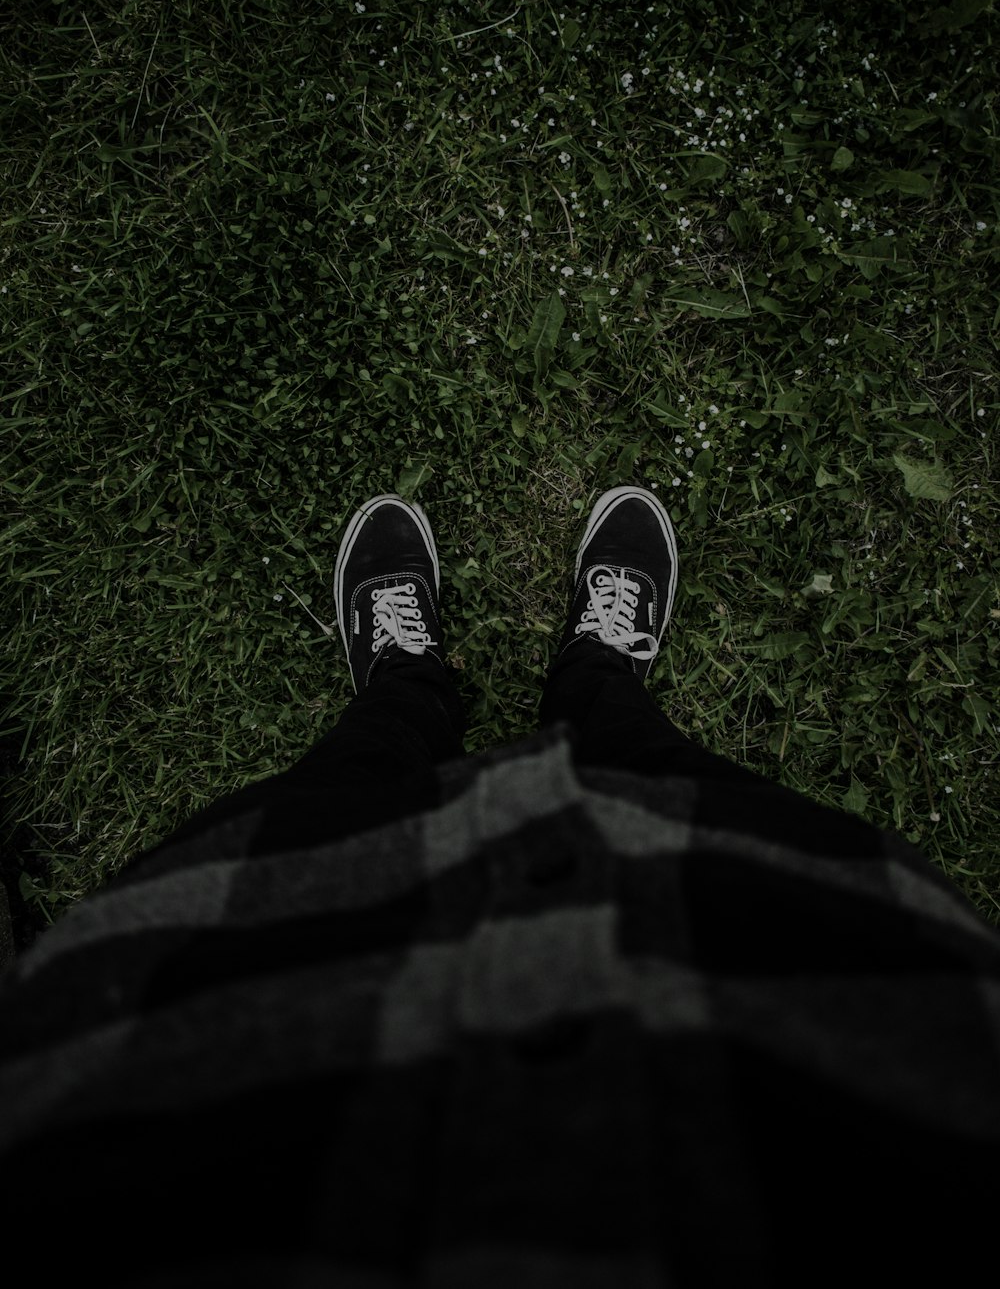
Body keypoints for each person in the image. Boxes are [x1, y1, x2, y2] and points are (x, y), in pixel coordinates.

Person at [1, 485, 999, 1287]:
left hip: (164, 1100)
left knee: (343, 796)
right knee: (663, 779)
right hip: (855, 1052)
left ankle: (409, 686)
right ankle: (589, 679)